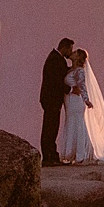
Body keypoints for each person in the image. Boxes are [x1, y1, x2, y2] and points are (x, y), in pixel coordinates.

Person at [57, 47, 104, 164]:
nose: (73, 52)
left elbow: (82, 86)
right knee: (72, 123)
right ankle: (72, 154)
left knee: (78, 124)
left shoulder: (79, 71)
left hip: (76, 102)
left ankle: (80, 155)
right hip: (70, 102)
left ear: (79, 57)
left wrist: (86, 100)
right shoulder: (72, 69)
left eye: (75, 52)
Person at [39, 37, 74, 165]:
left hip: (51, 99)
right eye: (70, 49)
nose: (70, 52)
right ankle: (49, 157)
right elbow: (56, 80)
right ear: (64, 47)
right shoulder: (55, 59)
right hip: (51, 99)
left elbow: (62, 72)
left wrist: (75, 65)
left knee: (52, 128)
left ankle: (51, 156)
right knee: (50, 128)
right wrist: (70, 89)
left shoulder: (57, 59)